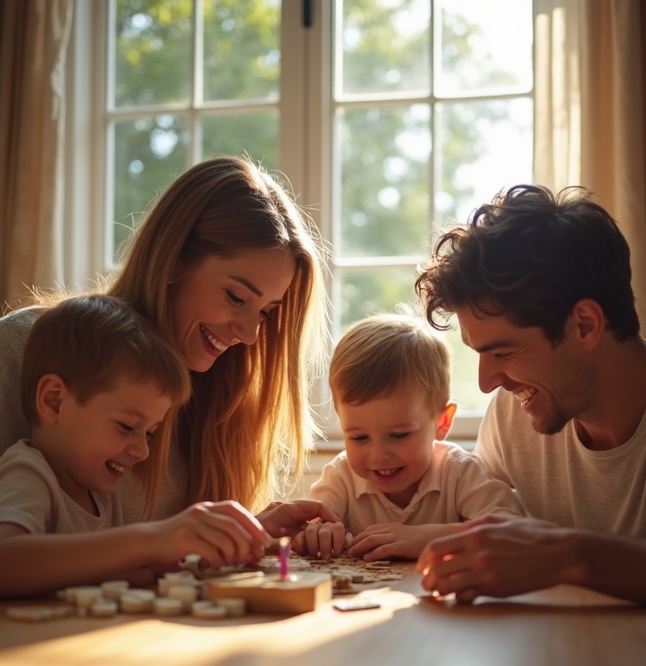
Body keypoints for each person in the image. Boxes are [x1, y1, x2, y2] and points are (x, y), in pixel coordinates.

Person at [0, 155, 339, 548]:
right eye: (235, 296)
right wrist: (159, 540)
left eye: (265, 312)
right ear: (174, 261)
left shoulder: (223, 402)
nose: (249, 335)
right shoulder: (23, 348)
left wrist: (245, 531)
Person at [414, 184, 646, 609]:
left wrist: (570, 556)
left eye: (502, 352)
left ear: (584, 324)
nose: (487, 383)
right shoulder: (512, 415)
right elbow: (473, 528)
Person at [0, 294, 281, 598]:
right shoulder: (29, 472)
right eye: (126, 427)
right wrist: (150, 539)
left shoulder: (98, 494)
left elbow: (114, 571)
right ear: (54, 400)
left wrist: (239, 538)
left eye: (149, 433)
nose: (142, 451)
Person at [293, 313, 522, 560]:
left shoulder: (460, 472)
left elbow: (511, 532)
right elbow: (311, 527)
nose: (378, 455)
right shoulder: (340, 477)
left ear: (442, 422)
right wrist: (318, 533)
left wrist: (425, 538)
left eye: (398, 435)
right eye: (359, 437)